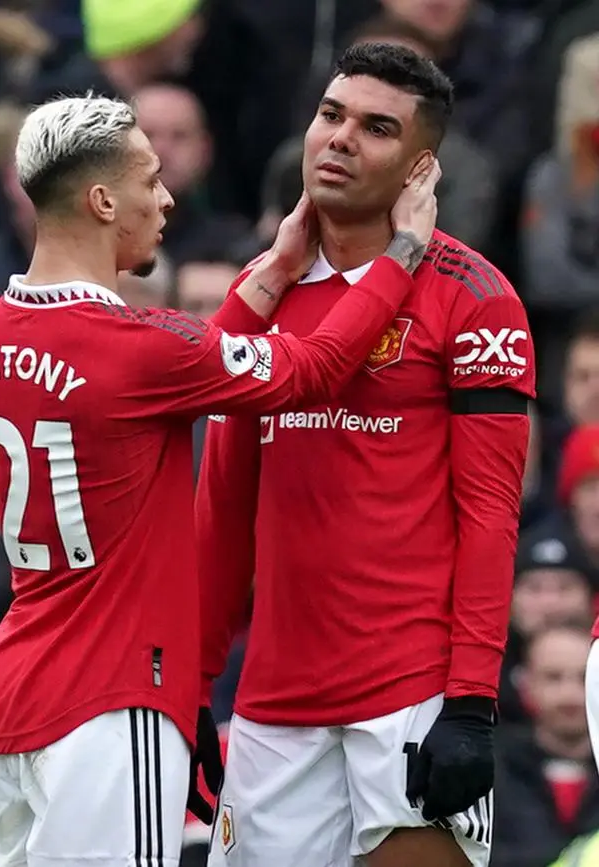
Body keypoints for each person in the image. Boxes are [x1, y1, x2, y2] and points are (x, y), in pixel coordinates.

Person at [0, 92, 442, 866]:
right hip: (110, 698)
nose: (166, 198)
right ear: (102, 199)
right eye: (150, 180)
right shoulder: (135, 346)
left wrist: (278, 267)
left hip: (11, 698)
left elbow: (182, 370)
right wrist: (401, 257)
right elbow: (309, 372)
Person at [197, 43, 535, 867]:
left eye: (376, 128)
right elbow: (220, 507)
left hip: (410, 694)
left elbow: (489, 515)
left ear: (422, 168)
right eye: (331, 115)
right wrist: (194, 684)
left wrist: (471, 703)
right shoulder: (264, 291)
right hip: (275, 699)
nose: (341, 139)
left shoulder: (478, 298)